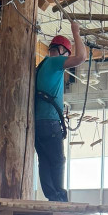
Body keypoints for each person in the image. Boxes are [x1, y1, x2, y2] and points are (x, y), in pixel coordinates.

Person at [34, 22, 87, 202]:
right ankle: (58, 197)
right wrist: (76, 32)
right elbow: (81, 57)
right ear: (62, 51)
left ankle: (52, 196)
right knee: (57, 161)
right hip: (49, 122)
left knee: (45, 161)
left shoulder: (40, 67)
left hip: (38, 124)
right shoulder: (54, 62)